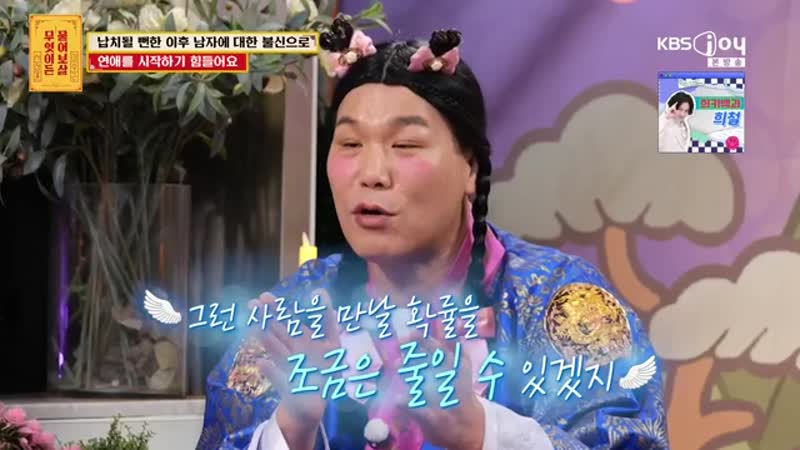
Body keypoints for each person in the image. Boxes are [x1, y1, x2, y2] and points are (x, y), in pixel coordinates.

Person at [198, 18, 668, 450]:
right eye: (350, 143)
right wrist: (293, 427)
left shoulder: (561, 304)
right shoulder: (294, 316)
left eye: (405, 144)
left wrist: (478, 432)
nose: (372, 173)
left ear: (471, 168)